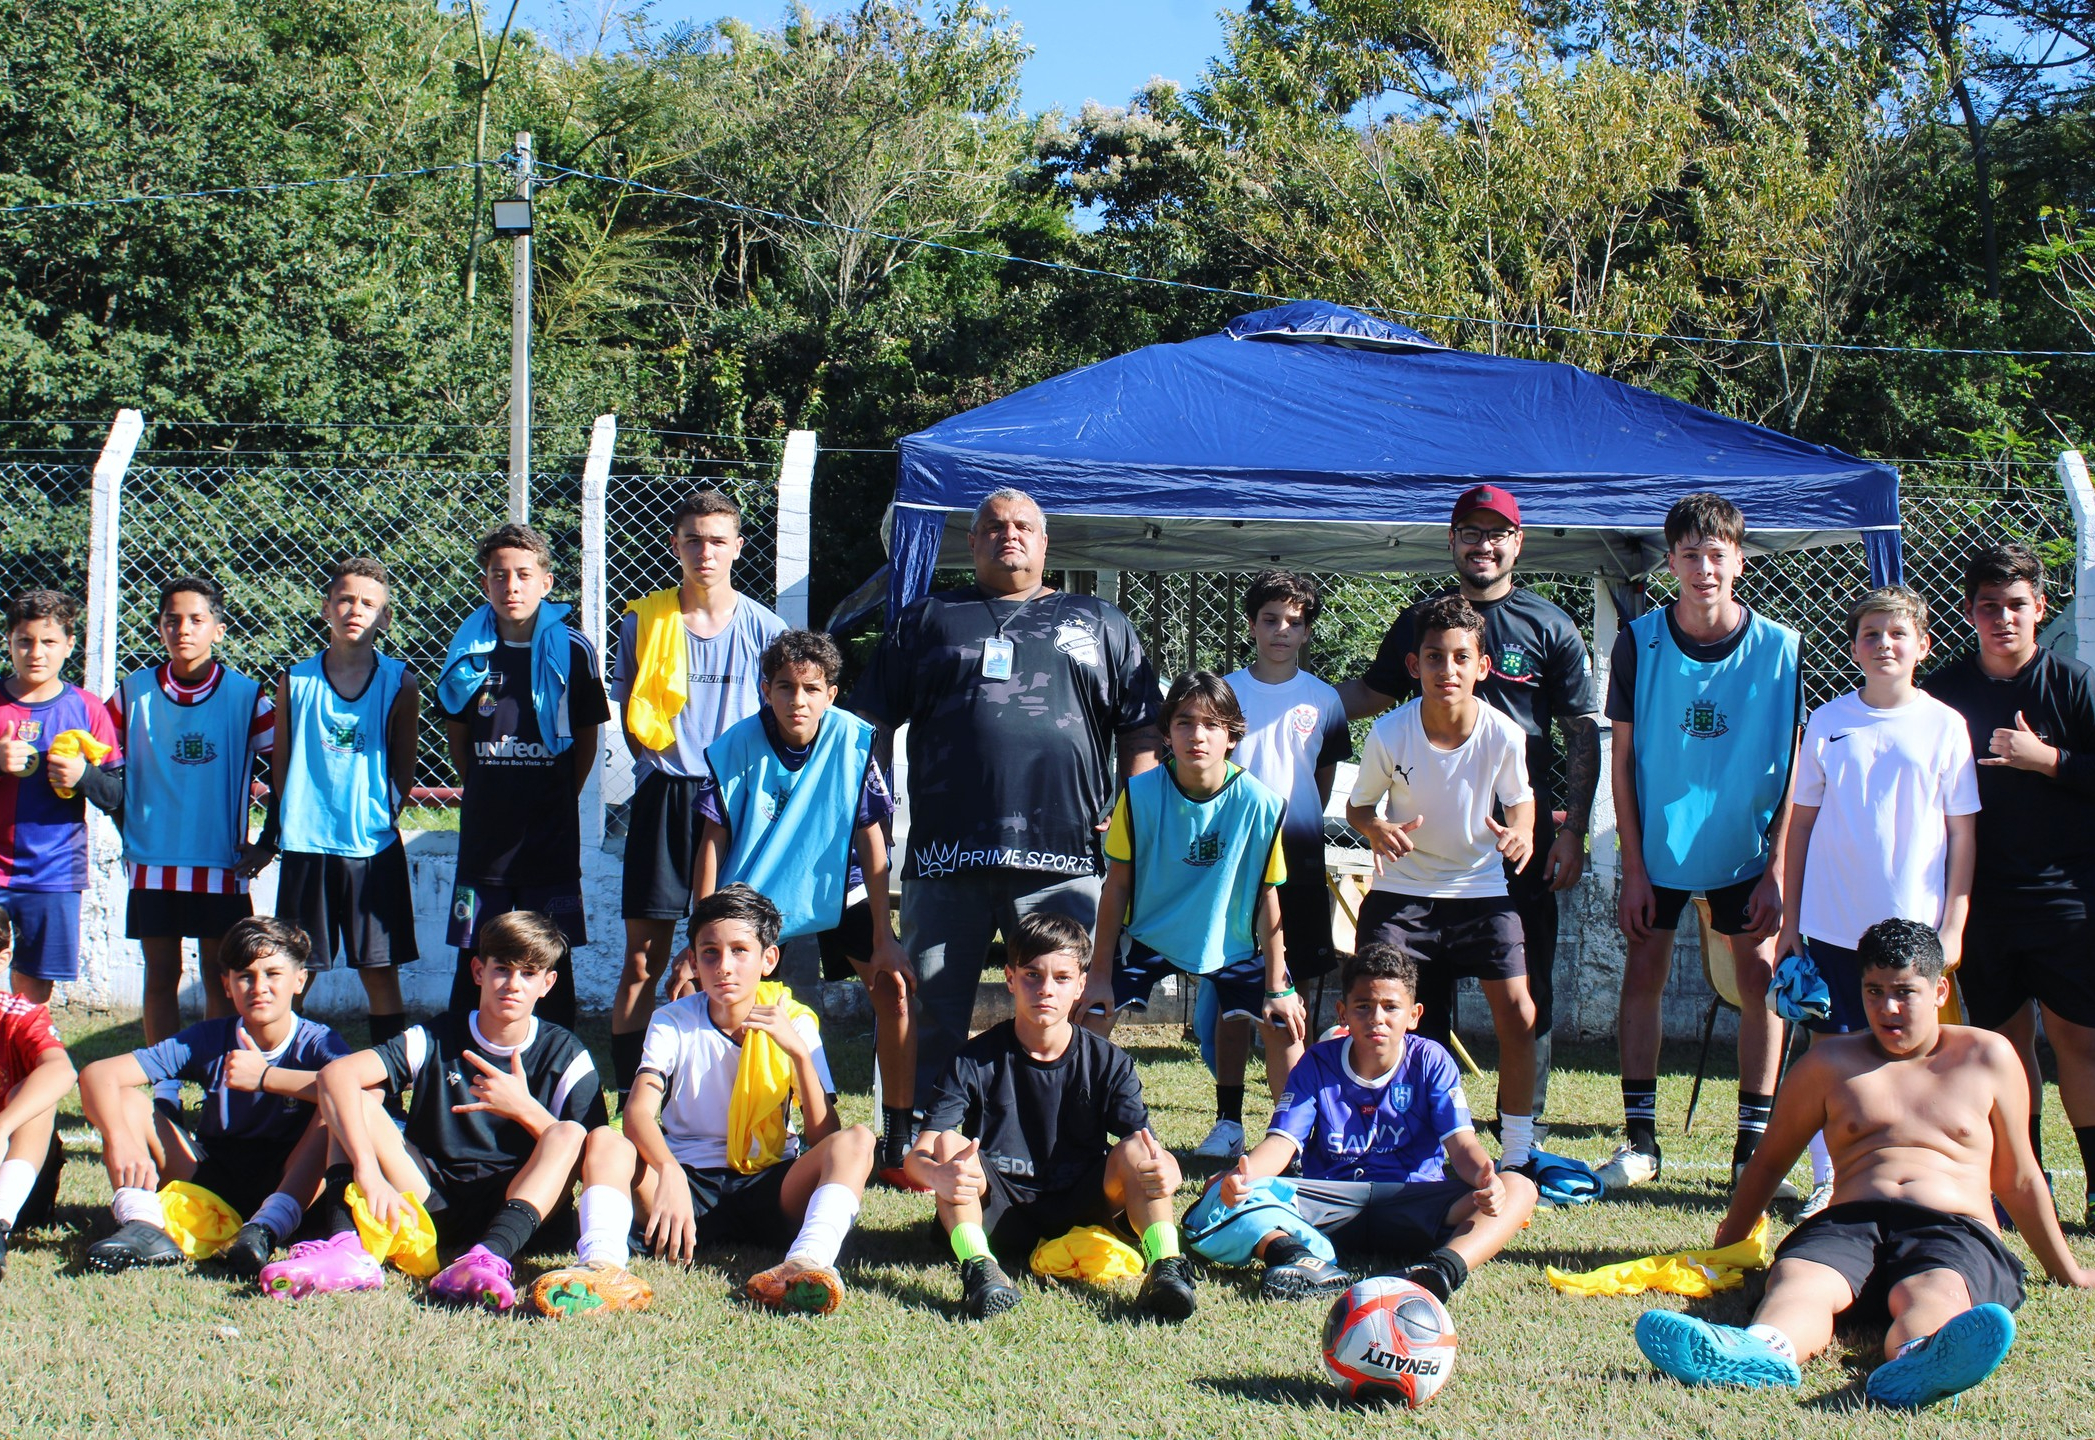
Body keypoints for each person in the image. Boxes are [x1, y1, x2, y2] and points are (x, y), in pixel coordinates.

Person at [1634, 918, 2094, 1409]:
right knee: (1801, 1280)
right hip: (1849, 1223)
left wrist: (2067, 1270)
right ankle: (1762, 1349)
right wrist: (1729, 1239)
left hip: (1952, 1229)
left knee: (1935, 1290)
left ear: (1939, 992)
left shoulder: (1986, 1057)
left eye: (1904, 992)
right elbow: (1768, 1163)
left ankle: (1919, 1358)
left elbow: (2018, 1177)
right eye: (1874, 991)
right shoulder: (1829, 1065)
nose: (1888, 1008)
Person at [849, 487, 1163, 1103]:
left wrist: (1135, 812)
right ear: (972, 542)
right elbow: (871, 725)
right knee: (928, 1007)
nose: (1008, 535)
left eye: (1023, 526)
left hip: (1065, 856)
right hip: (945, 858)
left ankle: (1063, 1131)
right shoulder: (927, 619)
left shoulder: (1102, 622)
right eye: (993, 526)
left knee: (1062, 1012)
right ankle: (924, 1133)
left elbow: (1142, 730)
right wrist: (873, 812)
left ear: (1045, 542)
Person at [1341, 484, 1601, 1136]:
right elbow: (1372, 694)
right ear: (1453, 541)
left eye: (1496, 533)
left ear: (1517, 543)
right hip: (1424, 857)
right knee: (1419, 998)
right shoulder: (1419, 621)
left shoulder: (1549, 625)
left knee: (1525, 994)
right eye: (1470, 533)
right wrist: (1294, 698)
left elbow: (1580, 731)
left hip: (1514, 846)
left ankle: (1523, 1130)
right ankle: (1430, 1125)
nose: (1483, 545)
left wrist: (1572, 833)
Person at [532, 885, 873, 1319]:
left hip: (770, 1181)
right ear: (693, 961)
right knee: (605, 1140)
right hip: (684, 1186)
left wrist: (799, 1055)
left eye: (740, 951)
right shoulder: (672, 1020)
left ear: (768, 959)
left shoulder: (794, 1020)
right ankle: (602, 1265)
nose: (724, 966)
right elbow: (637, 1112)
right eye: (710, 953)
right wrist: (668, 1170)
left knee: (859, 1140)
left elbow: (824, 1137)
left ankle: (807, 1261)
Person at [259, 911, 606, 1310]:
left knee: (569, 1132)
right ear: (478, 971)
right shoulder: (434, 1037)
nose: (513, 984)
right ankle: (346, 1246)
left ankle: (487, 1257)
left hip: (522, 1209)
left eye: (528, 973)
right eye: (502, 969)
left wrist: (524, 1108)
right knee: (352, 1097)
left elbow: (591, 1156)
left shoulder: (566, 1054)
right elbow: (336, 1075)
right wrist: (367, 1170)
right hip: (432, 1201)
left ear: (548, 983)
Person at [1605, 492, 1799, 1192]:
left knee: (1759, 982)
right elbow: (1622, 762)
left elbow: (1796, 766)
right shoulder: (1639, 641)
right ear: (1671, 562)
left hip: (1745, 847)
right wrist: (1632, 865)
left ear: (1739, 561)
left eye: (1716, 554)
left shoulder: (1781, 648)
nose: (1703, 567)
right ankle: (1639, 1142)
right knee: (1643, 973)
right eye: (1690, 554)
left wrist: (1777, 866)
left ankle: (1752, 1151)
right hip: (1659, 847)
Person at [675, 629, 912, 1182]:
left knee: (895, 992)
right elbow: (711, 842)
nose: (797, 700)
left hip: (836, 886)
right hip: (754, 898)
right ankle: (728, 1131)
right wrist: (698, 940)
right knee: (723, 1006)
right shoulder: (735, 746)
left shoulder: (854, 741)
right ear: (766, 690)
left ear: (831, 693)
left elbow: (872, 839)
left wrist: (884, 937)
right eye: (784, 687)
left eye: (811, 688)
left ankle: (899, 1136)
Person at [1775, 585, 1977, 1216]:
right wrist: (1790, 921)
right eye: (1871, 634)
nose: (1884, 644)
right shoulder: (1829, 722)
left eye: (1898, 633)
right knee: (1830, 1053)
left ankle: (1915, 1179)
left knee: (1913, 1055)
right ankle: (1829, 1184)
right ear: (1854, 647)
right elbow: (1801, 825)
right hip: (1832, 925)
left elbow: (1963, 833)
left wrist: (1955, 923)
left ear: (1924, 645)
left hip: (1915, 930)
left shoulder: (1946, 725)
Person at [1202, 943, 1537, 1303]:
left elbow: (1462, 1144)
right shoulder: (1317, 1062)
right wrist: (1244, 1176)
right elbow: (1282, 1142)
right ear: (1342, 1013)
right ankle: (1293, 1257)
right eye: (1363, 1006)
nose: (1377, 1018)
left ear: (1414, 1015)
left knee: (1519, 1187)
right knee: (1219, 1188)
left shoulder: (1431, 1060)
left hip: (1412, 1200)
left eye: (1391, 1007)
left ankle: (1440, 1270)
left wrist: (1486, 1178)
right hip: (1330, 1202)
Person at [906, 912, 1196, 1322]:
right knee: (949, 1144)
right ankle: (980, 1269)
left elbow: (1147, 1148)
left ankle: (1166, 1267)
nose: (1045, 989)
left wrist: (1169, 1169)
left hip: (1084, 1208)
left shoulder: (1109, 1061)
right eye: (1032, 975)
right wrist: (937, 1175)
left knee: (1141, 1152)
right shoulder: (972, 1059)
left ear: (1081, 985)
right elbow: (918, 1155)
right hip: (997, 1211)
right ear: (1009, 978)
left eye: (1061, 978)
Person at [1923, 541, 2095, 1223]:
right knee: (2002, 1046)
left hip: (2064, 898)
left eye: (2016, 605)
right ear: (1969, 612)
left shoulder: (2072, 685)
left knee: (2079, 1040)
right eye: (1989, 606)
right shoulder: (1942, 693)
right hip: (1979, 902)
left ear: (2040, 608)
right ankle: (2026, 1183)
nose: (2003, 619)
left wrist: (2047, 759)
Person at [1346, 595, 1541, 1171]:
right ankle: (1389, 1142)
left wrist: (1521, 833)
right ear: (1414, 666)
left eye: (1461, 658)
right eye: (1434, 657)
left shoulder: (1504, 734)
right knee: (1381, 1017)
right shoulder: (1389, 731)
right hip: (1401, 894)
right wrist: (1377, 827)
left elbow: (1521, 802)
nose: (1447, 670)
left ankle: (1518, 1151)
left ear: (1483, 667)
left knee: (1519, 1013)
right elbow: (1360, 807)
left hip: (1481, 892)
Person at [607, 490, 786, 1098]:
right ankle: (630, 1095)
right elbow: (632, 718)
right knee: (642, 959)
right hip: (665, 797)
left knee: (737, 955)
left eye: (717, 540)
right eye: (693, 540)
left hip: (736, 803)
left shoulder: (766, 628)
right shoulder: (644, 621)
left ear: (738, 547)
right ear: (675, 545)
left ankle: (741, 1090)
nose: (704, 552)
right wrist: (664, 765)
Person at [1083, 671, 1307, 1118]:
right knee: (1090, 1014)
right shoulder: (1139, 795)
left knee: (1285, 1023)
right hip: (1148, 933)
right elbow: (1117, 886)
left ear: (1232, 736)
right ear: (1166, 734)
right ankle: (1071, 1128)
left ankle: (1293, 1138)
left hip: (1230, 940)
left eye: (1211, 724)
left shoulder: (1261, 804)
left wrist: (1277, 985)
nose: (1197, 735)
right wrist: (1099, 973)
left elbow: (1268, 897)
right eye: (1184, 722)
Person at [77, 916, 348, 1275]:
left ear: (300, 979)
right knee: (124, 1102)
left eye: (273, 974)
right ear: (226, 985)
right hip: (213, 1177)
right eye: (245, 976)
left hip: (290, 1179)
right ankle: (143, 1226)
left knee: (335, 1106)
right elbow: (97, 1075)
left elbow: (362, 1092)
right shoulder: (208, 1037)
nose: (259, 987)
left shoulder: (318, 1041)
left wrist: (266, 1078)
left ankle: (267, 1229)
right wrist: (120, 1138)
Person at [1199, 569, 1351, 1162]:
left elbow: (1321, 779)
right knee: (1234, 993)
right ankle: (1228, 1119)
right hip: (1234, 862)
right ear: (1252, 625)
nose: (1281, 631)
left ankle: (1291, 1126)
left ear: (1307, 631)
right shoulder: (1224, 694)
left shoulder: (1324, 699)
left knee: (1292, 992)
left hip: (1300, 862)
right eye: (1270, 619)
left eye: (1294, 621)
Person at [436, 522, 609, 1032]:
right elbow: (459, 735)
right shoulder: (468, 648)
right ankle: (461, 1057)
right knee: (476, 953)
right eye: (499, 575)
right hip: (485, 837)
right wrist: (486, 789)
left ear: (546, 583)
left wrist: (560, 796)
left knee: (551, 954)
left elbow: (586, 737)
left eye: (523, 574)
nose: (511, 585)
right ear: (485, 582)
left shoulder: (572, 649)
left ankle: (554, 1057)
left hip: (549, 835)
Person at [110, 575, 274, 1050]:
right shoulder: (131, 692)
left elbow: (285, 768)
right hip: (152, 860)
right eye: (172, 619)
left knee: (221, 976)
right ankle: (163, 1079)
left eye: (196, 619)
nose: (183, 629)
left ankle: (216, 1071)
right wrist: (126, 823)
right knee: (162, 973)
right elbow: (99, 762)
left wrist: (269, 842)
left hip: (221, 862)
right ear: (160, 627)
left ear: (217, 630)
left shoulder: (246, 696)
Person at [259, 557, 420, 1040]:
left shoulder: (400, 682)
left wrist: (380, 812)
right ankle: (280, 1068)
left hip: (371, 847)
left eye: (369, 603)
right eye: (346, 599)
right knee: (294, 970)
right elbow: (281, 764)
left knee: (380, 971)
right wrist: (280, 828)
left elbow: (404, 766)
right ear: (326, 607)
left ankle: (389, 1076)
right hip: (307, 844)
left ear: (385, 618)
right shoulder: (296, 679)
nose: (356, 609)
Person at [0, 589, 123, 1005]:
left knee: (32, 991)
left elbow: (115, 794)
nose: (36, 652)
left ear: (70, 645)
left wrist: (83, 775)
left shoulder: (87, 709)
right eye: (25, 641)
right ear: (9, 642)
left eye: (49, 641)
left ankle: (24, 1048)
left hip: (52, 872)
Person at [0, 914, 75, 1276]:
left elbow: (63, 1071)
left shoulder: (19, 1016)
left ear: (3, 957)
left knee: (34, 1090)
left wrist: (1, 1127)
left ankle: (1, 1221)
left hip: (16, 1174)